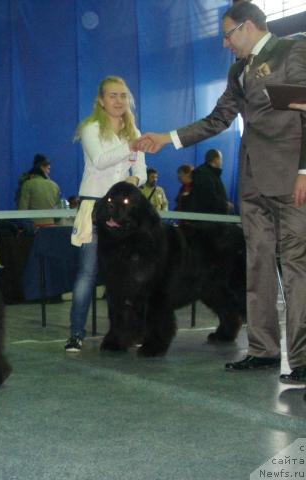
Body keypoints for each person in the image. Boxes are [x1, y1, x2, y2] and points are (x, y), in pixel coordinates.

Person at [133, 2, 306, 383]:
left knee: (297, 269)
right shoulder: (236, 71)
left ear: (247, 27)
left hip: (292, 178)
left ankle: (303, 359)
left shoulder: (293, 50)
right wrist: (167, 138)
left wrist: (304, 169)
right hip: (252, 183)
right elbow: (217, 120)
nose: (225, 43)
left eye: (228, 34)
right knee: (257, 265)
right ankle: (263, 350)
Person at [65, 76, 146, 352]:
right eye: (112, 95)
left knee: (124, 275)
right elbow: (99, 161)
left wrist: (136, 180)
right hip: (95, 208)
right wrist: (131, 146)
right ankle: (76, 333)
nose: (118, 101)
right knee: (87, 273)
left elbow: (142, 172)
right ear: (101, 100)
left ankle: (124, 332)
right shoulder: (90, 128)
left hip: (124, 213)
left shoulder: (134, 131)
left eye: (123, 95)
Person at [17, 154, 61, 226]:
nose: (49, 172)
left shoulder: (27, 184)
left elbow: (22, 211)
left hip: (33, 228)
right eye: (48, 169)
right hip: (51, 227)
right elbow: (59, 213)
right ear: (42, 168)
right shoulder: (55, 186)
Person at [186, 149, 232, 214]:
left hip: (210, 218)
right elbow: (208, 197)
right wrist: (225, 205)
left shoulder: (208, 174)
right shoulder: (204, 174)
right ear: (216, 160)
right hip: (208, 218)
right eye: (221, 159)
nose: (222, 162)